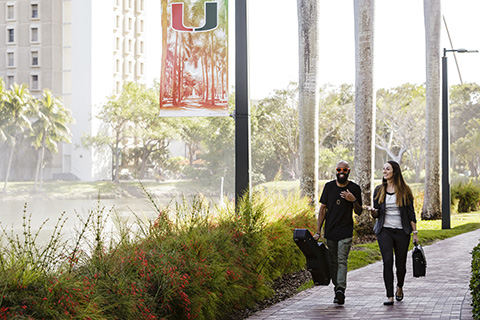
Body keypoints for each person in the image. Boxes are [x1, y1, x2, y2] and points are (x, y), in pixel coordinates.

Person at [365, 160, 418, 306]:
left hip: (402, 232)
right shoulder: (379, 190)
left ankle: (399, 287)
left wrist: (415, 233)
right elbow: (377, 215)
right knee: (387, 261)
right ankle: (389, 296)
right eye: (383, 169)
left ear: (395, 171)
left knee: (400, 265)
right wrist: (373, 212)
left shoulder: (405, 190)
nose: (384, 171)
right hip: (384, 231)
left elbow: (411, 214)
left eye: (387, 169)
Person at [313, 160, 363, 305]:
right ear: (336, 171)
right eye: (339, 169)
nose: (341, 172)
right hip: (330, 231)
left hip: (346, 230)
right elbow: (323, 209)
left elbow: (359, 212)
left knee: (342, 260)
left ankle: (341, 289)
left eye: (344, 170)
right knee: (333, 261)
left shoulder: (354, 188)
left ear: (348, 171)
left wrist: (353, 200)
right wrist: (318, 231)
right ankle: (337, 289)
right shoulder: (329, 187)